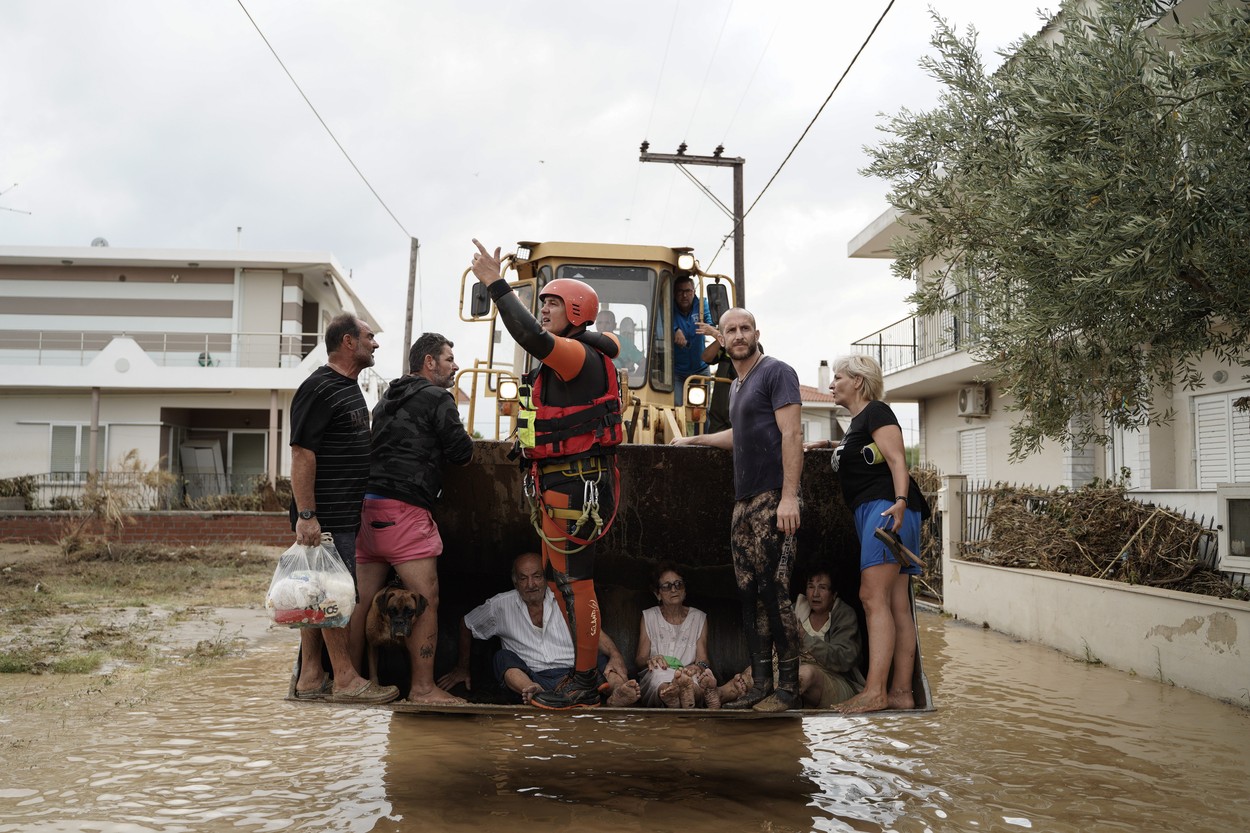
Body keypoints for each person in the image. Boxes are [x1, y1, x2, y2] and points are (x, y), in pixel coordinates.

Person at [469, 239, 624, 709]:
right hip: (555, 488)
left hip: (579, 492)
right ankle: (581, 675)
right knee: (561, 584)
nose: (544, 310)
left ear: (577, 310)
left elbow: (531, 338)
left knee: (578, 585)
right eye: (543, 303)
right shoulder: (567, 357)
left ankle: (583, 676)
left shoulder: (576, 356)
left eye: (552, 303)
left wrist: (496, 284)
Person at [670, 308, 804, 712]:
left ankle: (789, 689)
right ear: (723, 340)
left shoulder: (776, 372)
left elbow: (792, 433)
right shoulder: (736, 385)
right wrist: (696, 441)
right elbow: (739, 435)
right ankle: (760, 684)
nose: (739, 335)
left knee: (775, 595)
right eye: (731, 330)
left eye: (745, 328)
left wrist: (789, 496)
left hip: (772, 499)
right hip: (743, 504)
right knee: (750, 595)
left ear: (756, 333)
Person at [345, 332, 474, 704]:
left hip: (366, 510)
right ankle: (422, 689)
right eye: (449, 359)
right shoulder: (438, 398)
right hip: (405, 513)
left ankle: (352, 682)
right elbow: (462, 453)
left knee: (360, 600)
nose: (455, 365)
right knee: (425, 598)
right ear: (429, 362)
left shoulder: (386, 399)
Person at [289, 313, 399, 705]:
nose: (376, 343)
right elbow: (302, 453)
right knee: (334, 595)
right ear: (349, 342)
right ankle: (347, 681)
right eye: (370, 337)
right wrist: (306, 516)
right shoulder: (319, 387)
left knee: (316, 594)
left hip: (337, 514)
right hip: (325, 516)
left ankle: (311, 677)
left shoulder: (348, 387)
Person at [824, 354, 929, 714]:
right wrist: (824, 448)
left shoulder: (877, 411)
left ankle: (874, 692)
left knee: (871, 596)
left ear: (858, 380)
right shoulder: (856, 425)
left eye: (838, 378)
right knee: (896, 603)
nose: (831, 384)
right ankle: (901, 692)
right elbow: (860, 457)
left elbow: (899, 460)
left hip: (885, 507)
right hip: (882, 507)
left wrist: (899, 501)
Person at [437, 553, 641, 707]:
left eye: (536, 576)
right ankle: (535, 694)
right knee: (502, 658)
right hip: (534, 677)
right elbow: (467, 623)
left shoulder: (564, 599)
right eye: (523, 578)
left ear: (546, 578)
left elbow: (592, 632)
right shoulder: (500, 605)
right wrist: (462, 667)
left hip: (577, 676)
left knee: (599, 658)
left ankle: (617, 694)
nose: (531, 584)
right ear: (515, 581)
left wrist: (616, 655)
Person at [720, 568, 865, 709]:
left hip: (835, 682)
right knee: (756, 671)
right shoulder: (796, 610)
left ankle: (769, 699)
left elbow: (846, 659)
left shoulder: (844, 615)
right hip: (790, 672)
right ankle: (720, 694)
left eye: (822, 588)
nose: (815, 593)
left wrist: (805, 639)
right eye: (810, 586)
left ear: (834, 594)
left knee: (807, 673)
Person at [634, 562, 721, 709]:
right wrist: (652, 660)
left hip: (686, 671)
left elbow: (703, 658)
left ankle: (686, 693)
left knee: (694, 679)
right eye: (666, 586)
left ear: (685, 590)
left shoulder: (698, 617)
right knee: (657, 676)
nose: (674, 589)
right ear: (657, 593)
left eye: (678, 584)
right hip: (659, 671)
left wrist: (698, 667)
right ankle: (670, 694)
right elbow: (640, 659)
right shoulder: (649, 616)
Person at [671, 275, 710, 406]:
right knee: (676, 408)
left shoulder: (701, 305)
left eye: (688, 291)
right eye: (680, 291)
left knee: (703, 412)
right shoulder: (668, 307)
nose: (684, 295)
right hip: (677, 371)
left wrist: (710, 328)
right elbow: (660, 324)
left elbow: (711, 323)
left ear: (694, 292)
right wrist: (675, 330)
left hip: (700, 368)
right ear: (674, 294)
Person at [609, 313, 645, 378]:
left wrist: (635, 380)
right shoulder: (591, 343)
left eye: (607, 323)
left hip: (620, 384)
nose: (603, 326)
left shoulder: (625, 343)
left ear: (614, 325)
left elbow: (644, 363)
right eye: (600, 323)